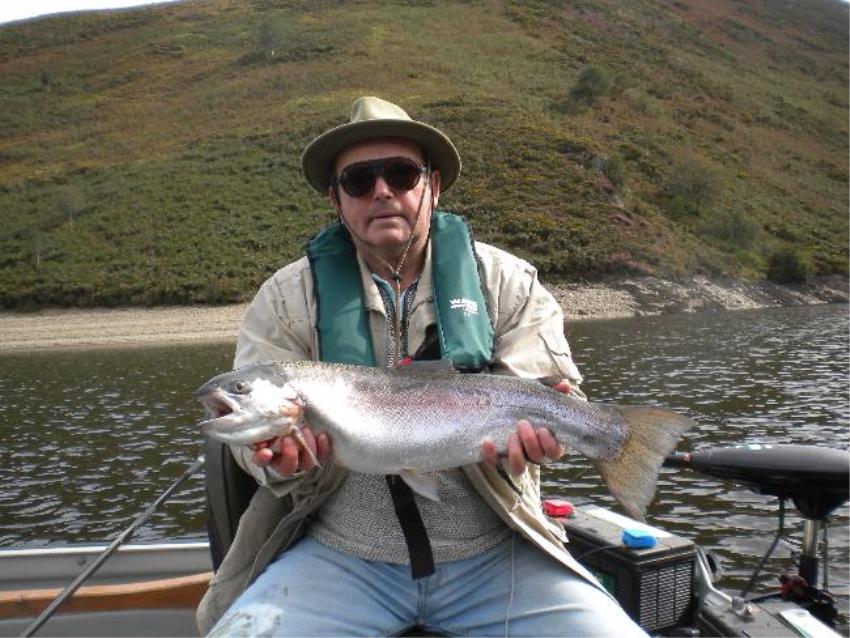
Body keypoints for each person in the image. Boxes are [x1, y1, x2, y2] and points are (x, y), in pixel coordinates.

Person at [198, 96, 646, 637]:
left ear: (432, 186)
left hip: (499, 553)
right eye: (359, 180)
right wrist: (272, 462)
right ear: (336, 199)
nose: (382, 190)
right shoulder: (286, 299)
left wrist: (554, 436)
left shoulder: (509, 283)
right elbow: (255, 455)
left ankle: (625, 439)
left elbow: (550, 391)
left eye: (401, 174)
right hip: (341, 558)